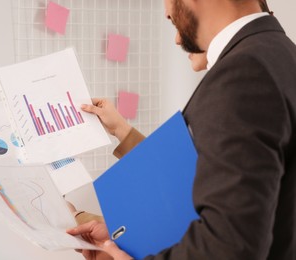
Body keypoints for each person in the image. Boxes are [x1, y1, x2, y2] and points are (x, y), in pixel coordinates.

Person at [67, 0, 296, 259]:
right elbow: (202, 190)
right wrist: (128, 241)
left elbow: (229, 246)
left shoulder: (244, 72)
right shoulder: (280, 55)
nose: (176, 38)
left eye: (171, 19)